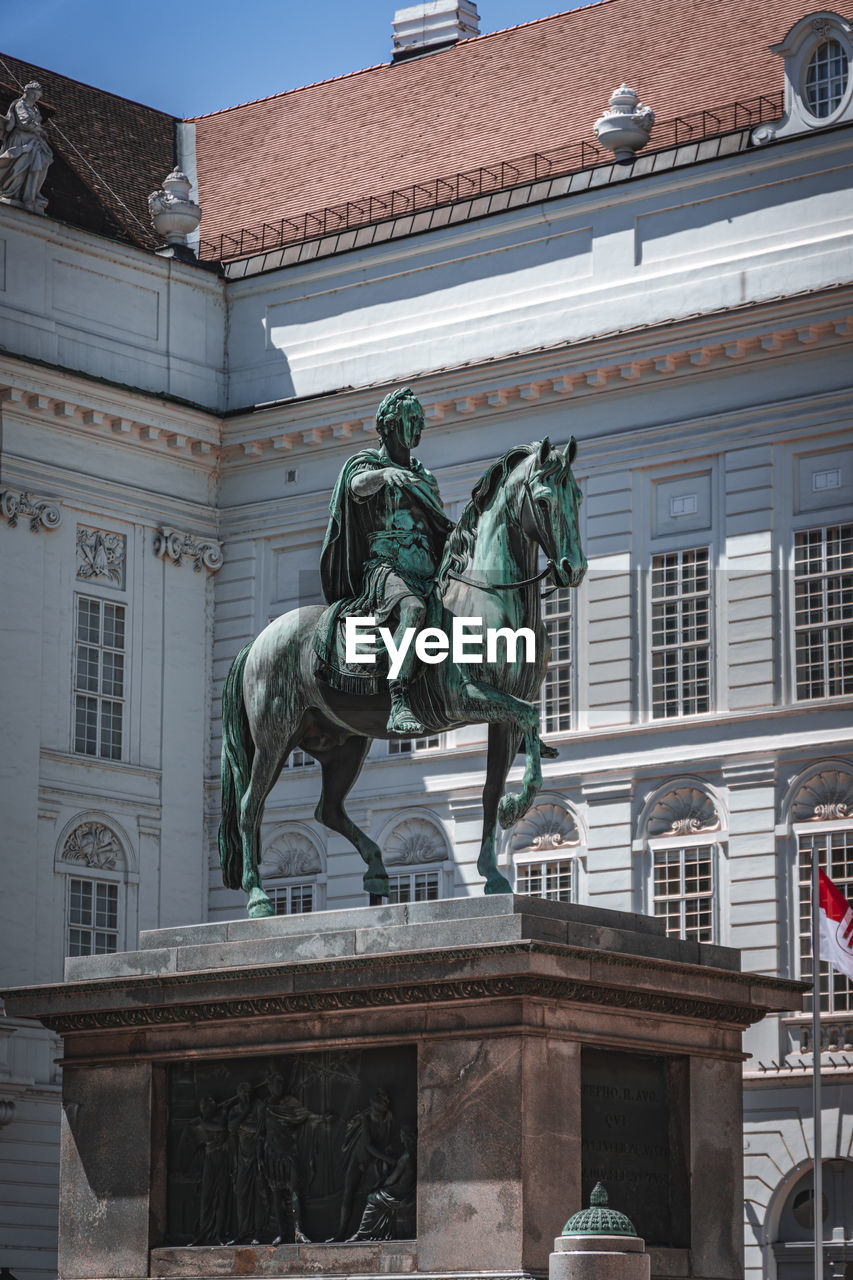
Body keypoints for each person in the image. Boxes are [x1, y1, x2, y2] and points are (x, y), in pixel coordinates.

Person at [315, 387, 453, 735]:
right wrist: (382, 476)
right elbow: (355, 486)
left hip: (426, 568)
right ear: (389, 425)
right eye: (411, 420)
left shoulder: (425, 477)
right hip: (387, 568)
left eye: (421, 421)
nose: (418, 428)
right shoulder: (369, 464)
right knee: (413, 611)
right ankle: (399, 700)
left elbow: (437, 525)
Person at [347, 1125, 416, 1241]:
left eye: (401, 1135)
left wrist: (380, 1184)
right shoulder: (413, 1155)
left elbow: (391, 1179)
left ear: (405, 1137)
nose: (400, 1137)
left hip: (396, 1194)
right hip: (405, 1191)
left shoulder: (406, 1157)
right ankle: (381, 1233)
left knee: (372, 1198)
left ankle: (363, 1233)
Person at [0, 82, 53, 213]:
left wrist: (39, 131)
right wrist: (40, 130)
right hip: (21, 140)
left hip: (34, 141)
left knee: (43, 161)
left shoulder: (34, 109)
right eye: (33, 94)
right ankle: (12, 190)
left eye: (38, 96)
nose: (35, 98)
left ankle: (31, 192)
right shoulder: (20, 105)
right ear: (26, 92)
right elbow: (25, 123)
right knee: (22, 164)